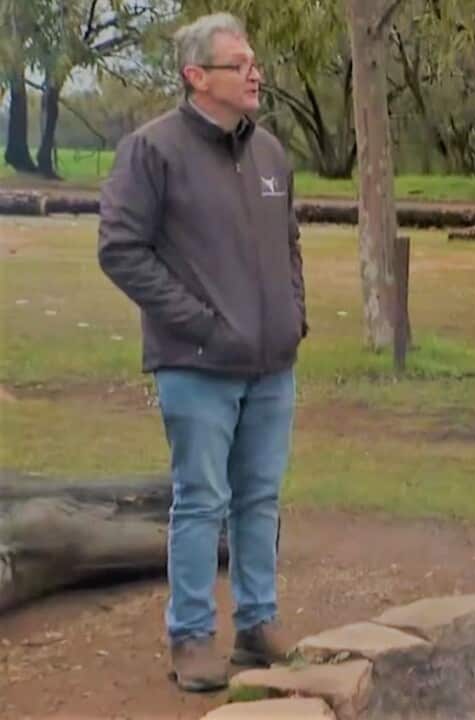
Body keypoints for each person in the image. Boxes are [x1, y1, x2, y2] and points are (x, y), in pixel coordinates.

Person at [98, 13, 306, 692]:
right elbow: (120, 250)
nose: (255, 73)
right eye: (238, 64)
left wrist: (293, 318)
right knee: (200, 500)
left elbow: (289, 245)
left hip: (272, 367)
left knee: (261, 497)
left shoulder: (271, 153)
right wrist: (199, 323)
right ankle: (190, 636)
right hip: (196, 366)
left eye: (254, 61)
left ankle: (257, 623)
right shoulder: (150, 150)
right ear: (196, 77)